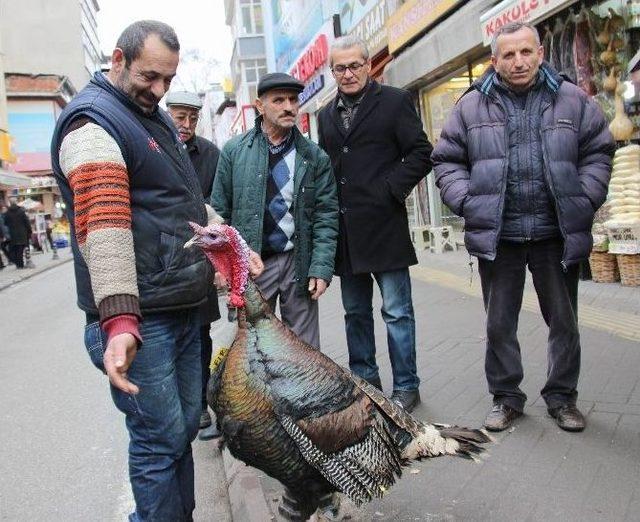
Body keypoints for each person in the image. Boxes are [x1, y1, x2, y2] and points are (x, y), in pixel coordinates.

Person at [51, 21, 218, 520]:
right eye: (150, 77)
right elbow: (104, 226)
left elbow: (183, 203)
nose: (160, 90)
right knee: (159, 440)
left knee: (185, 427)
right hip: (146, 321)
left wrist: (230, 242)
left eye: (168, 79)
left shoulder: (154, 117)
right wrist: (120, 322)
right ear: (117, 61)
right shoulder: (93, 125)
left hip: (181, 305)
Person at [432, 22, 615, 433]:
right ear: (494, 60)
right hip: (501, 237)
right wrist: (468, 201)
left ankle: (562, 397)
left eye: (525, 52)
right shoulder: (470, 105)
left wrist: (583, 198)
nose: (518, 61)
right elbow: (446, 160)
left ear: (540, 52)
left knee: (564, 323)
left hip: (556, 233)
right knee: (499, 325)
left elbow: (599, 150)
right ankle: (506, 397)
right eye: (509, 55)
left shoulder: (572, 100)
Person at [317, 35, 433, 413]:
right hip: (347, 236)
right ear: (332, 71)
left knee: (397, 312)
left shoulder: (395, 102)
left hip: (385, 228)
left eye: (354, 65)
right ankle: (366, 384)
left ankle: (407, 386)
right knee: (355, 314)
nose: (348, 74)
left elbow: (421, 153)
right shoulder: (325, 115)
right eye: (340, 68)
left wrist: (390, 189)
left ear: (369, 66)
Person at [212, 72, 338, 349]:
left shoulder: (315, 157)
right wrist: (223, 265)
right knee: (253, 347)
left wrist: (320, 268)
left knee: (303, 349)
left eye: (293, 100)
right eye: (278, 100)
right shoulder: (234, 152)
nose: (288, 107)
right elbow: (219, 213)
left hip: (298, 262)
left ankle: (304, 394)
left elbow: (326, 216)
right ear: (260, 105)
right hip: (253, 264)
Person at [166, 90, 222, 440]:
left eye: (192, 118)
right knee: (168, 335)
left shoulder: (210, 154)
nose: (186, 125)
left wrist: (219, 263)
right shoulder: (153, 147)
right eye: (179, 117)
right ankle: (178, 405)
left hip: (201, 260)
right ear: (167, 113)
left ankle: (201, 403)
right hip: (166, 260)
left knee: (201, 335)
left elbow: (217, 204)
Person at [3, 198, 32, 269]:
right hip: (22, 234)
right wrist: (29, 231)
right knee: (20, 250)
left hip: (12, 234)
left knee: (15, 250)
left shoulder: (7, 213)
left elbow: (5, 223)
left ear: (10, 203)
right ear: (16, 202)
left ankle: (18, 264)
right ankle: (20, 265)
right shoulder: (21, 211)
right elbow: (27, 222)